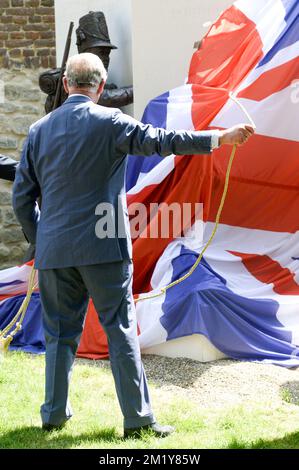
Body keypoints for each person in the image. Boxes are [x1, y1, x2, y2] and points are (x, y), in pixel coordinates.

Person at [12, 53, 254, 439]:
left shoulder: (39, 129)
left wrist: (42, 238)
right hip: (105, 246)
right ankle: (138, 420)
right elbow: (163, 141)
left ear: (64, 84)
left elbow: (21, 198)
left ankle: (53, 415)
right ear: (101, 88)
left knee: (57, 336)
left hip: (55, 250)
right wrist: (218, 138)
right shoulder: (111, 121)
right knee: (120, 331)